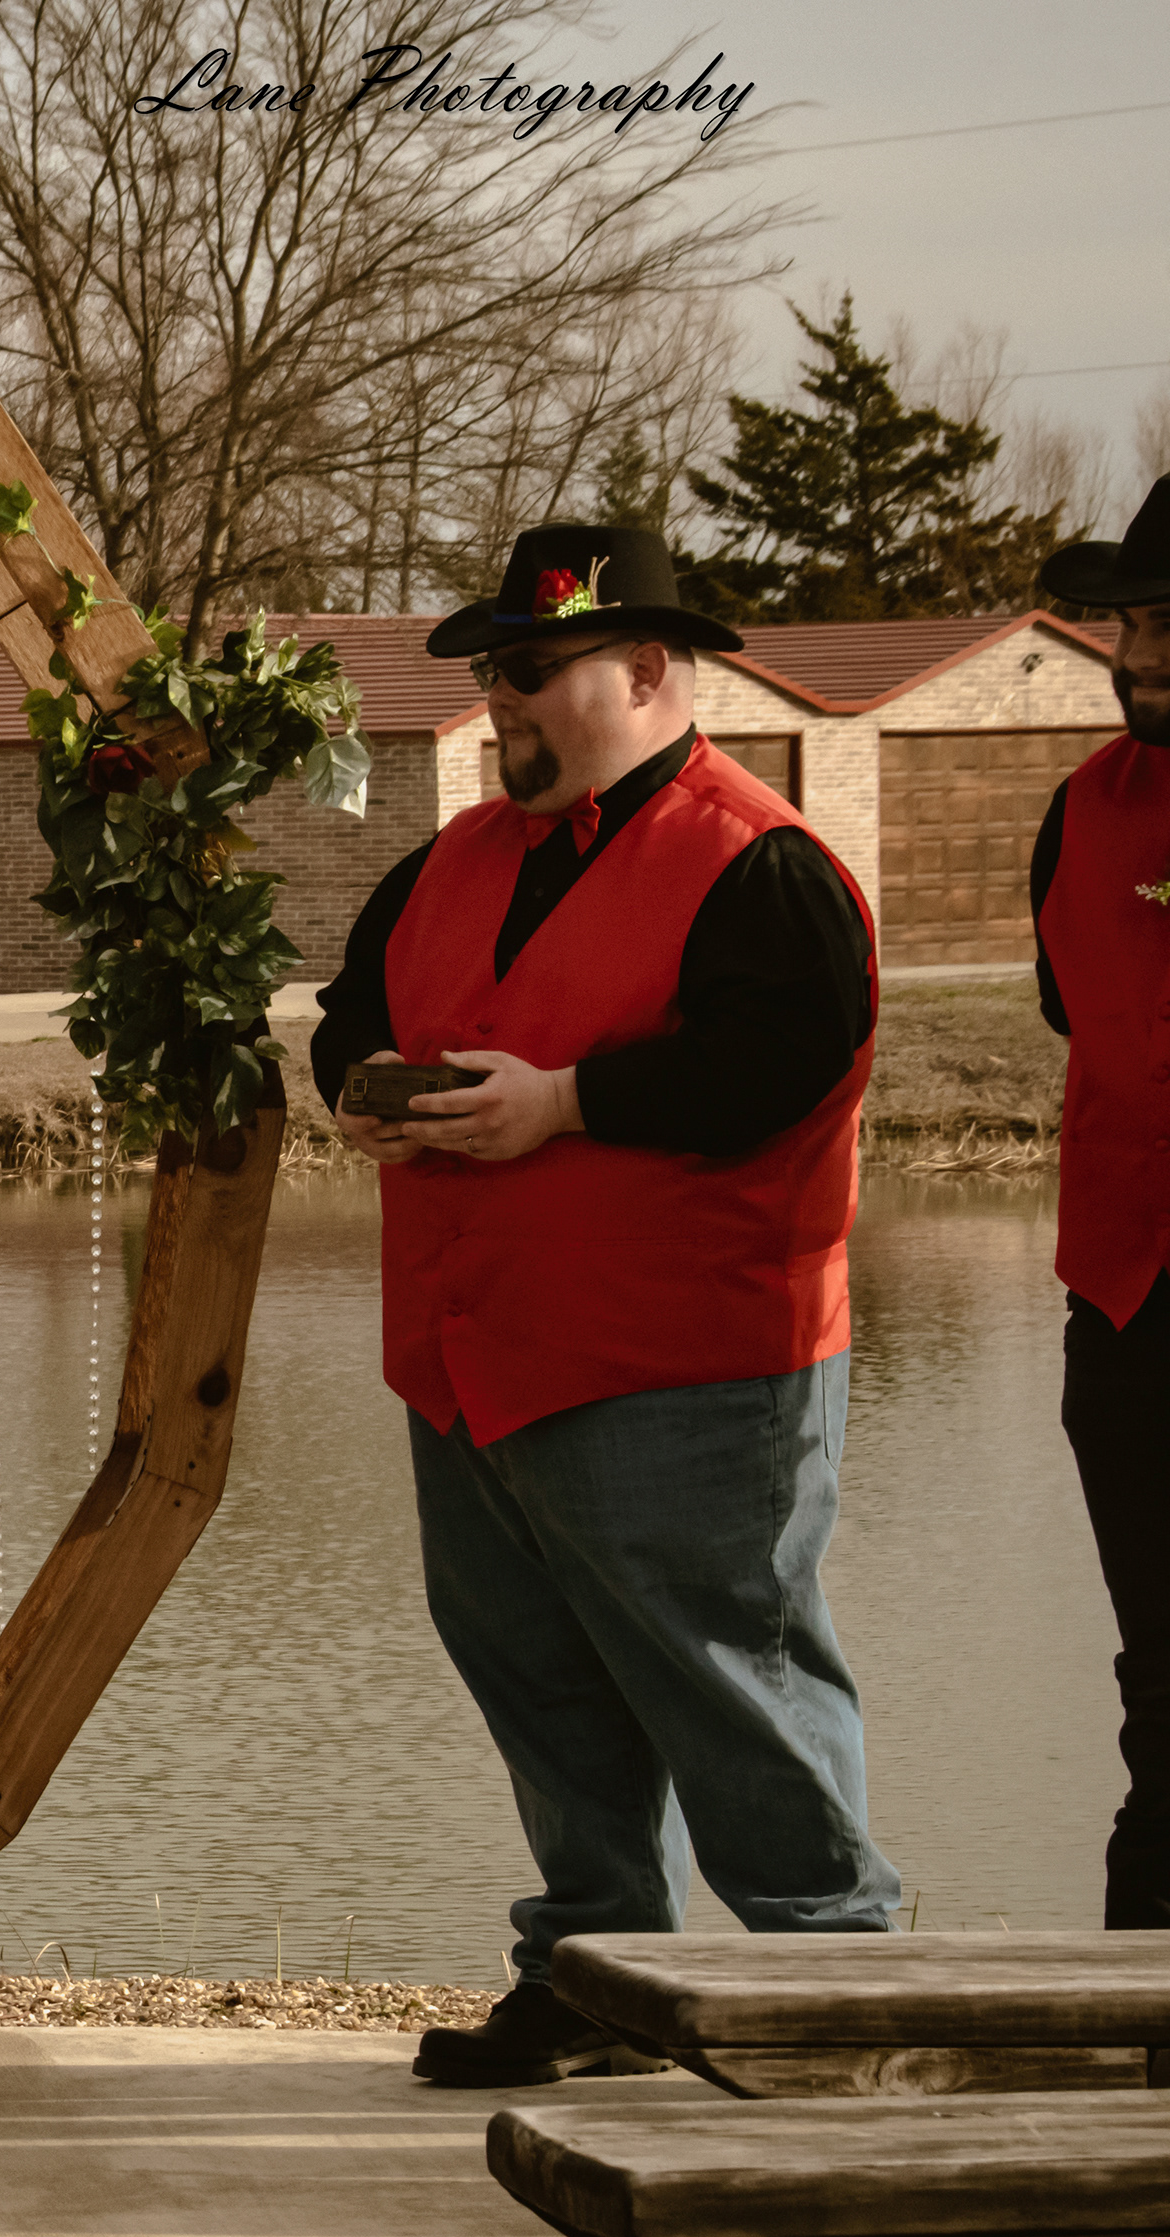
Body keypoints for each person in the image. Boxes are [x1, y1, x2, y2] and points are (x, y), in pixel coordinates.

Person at [309, 525, 902, 2089]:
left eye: (527, 668)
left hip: (689, 1368)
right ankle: (598, 1975)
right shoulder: (454, 857)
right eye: (491, 670)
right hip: (470, 1360)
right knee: (538, 1680)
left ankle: (837, 1993)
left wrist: (568, 1102)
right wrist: (358, 1090)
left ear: (644, 671)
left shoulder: (760, 860)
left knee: (733, 1680)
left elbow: (784, 1065)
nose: (499, 698)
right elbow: (350, 1012)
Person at [1029, 476, 1170, 1929]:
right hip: (1129, 1313)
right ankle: (1142, 2012)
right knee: (1162, 1691)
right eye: (1132, 623)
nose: (1141, 655)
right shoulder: (1082, 807)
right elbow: (1078, 1009)